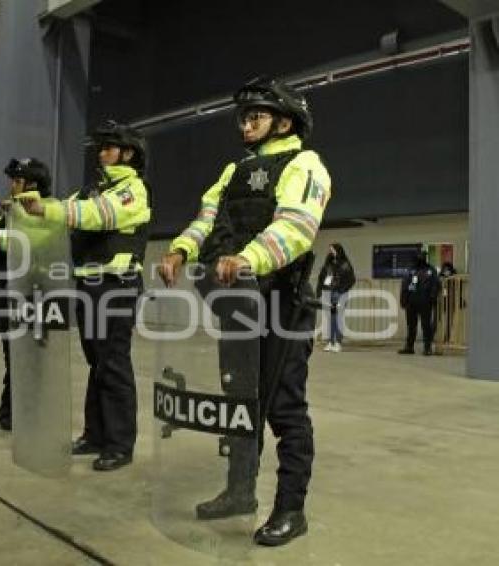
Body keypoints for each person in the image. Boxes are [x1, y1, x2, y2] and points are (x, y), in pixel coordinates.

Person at [158, 77, 331, 546]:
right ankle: (239, 491)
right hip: (238, 303)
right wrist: (180, 251)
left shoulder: (305, 164)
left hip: (282, 304)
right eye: (244, 116)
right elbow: (208, 219)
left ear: (284, 121)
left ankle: (291, 509)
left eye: (256, 115)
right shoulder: (233, 171)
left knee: (285, 408)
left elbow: (297, 227)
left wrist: (248, 259)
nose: (246, 123)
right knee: (240, 403)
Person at [22, 120, 152, 472]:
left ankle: (120, 443)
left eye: (109, 147)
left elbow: (97, 217)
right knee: (98, 364)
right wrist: (18, 220)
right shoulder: (89, 191)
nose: (101, 153)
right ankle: (95, 434)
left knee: (113, 364)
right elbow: (55, 220)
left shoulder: (132, 190)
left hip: (117, 286)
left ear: (128, 153)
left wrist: (45, 209)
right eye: (101, 147)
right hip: (89, 286)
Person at [0, 157, 54, 431]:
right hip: (10, 288)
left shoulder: (47, 209)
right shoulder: (13, 211)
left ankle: (28, 411)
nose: (12, 186)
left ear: (33, 184)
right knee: (11, 353)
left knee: (30, 356)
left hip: (33, 292)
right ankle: (11, 406)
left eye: (17, 181)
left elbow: (30, 243)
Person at [398, 251, 440, 356]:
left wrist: (433, 297)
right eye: (419, 257)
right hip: (411, 301)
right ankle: (409, 346)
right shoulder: (411, 270)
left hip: (425, 301)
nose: (420, 258)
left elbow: (436, 284)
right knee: (411, 325)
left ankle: (427, 348)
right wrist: (403, 299)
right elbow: (405, 285)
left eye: (422, 257)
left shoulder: (431, 270)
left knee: (426, 326)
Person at [316, 243, 355, 352]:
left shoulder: (345, 264)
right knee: (329, 319)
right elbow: (321, 278)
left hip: (340, 294)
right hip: (328, 293)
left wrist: (342, 290)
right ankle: (330, 342)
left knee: (338, 318)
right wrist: (319, 291)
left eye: (332, 249)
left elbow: (351, 279)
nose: (330, 252)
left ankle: (337, 342)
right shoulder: (328, 264)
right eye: (330, 250)